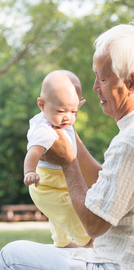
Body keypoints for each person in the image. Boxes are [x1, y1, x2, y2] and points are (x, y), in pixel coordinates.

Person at [0, 21, 134, 270]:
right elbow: (109, 186)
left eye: (102, 78)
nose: (94, 88)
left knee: (10, 255)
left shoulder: (133, 141)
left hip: (121, 265)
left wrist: (68, 162)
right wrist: (67, 131)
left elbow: (94, 226)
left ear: (131, 82)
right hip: (132, 260)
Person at [23, 70, 92, 248]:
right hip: (46, 186)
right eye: (61, 110)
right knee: (69, 213)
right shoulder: (44, 129)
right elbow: (33, 153)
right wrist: (30, 171)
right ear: (41, 104)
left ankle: (62, 243)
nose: (67, 117)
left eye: (73, 111)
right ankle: (88, 241)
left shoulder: (65, 122)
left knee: (60, 215)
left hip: (61, 180)